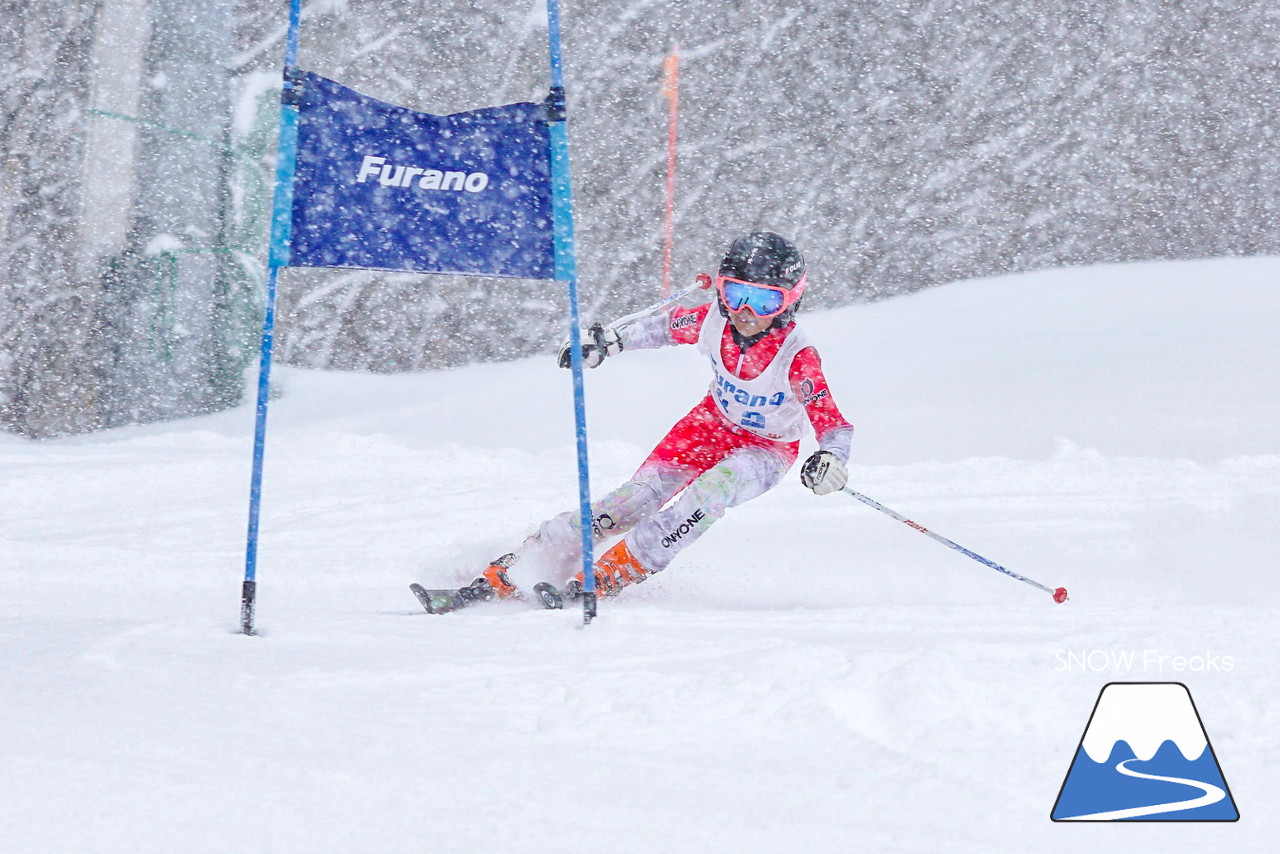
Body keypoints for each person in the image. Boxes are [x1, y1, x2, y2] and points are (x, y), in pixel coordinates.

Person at [475, 231, 853, 602]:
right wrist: (609, 341)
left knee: (712, 491)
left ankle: (621, 567)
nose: (746, 313)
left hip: (767, 449)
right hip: (709, 425)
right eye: (736, 294)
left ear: (790, 302)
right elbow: (662, 326)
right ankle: (530, 561)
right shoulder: (711, 322)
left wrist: (832, 458)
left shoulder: (797, 355)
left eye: (765, 302)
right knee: (632, 502)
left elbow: (832, 423)